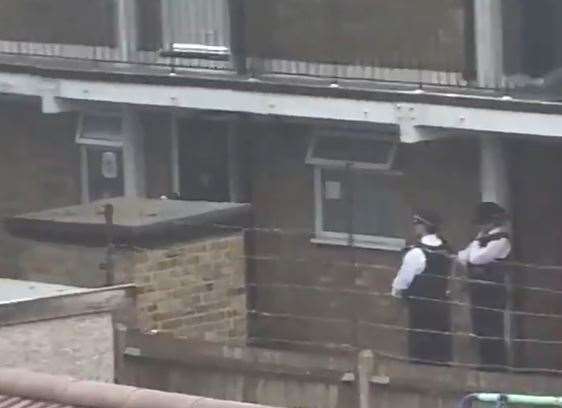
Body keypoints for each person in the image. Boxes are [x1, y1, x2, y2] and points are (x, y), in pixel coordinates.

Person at [392, 210, 452, 364]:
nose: (414, 227)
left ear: (422, 227)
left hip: (420, 306)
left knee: (421, 347)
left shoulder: (416, 252)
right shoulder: (447, 250)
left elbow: (402, 281)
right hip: (441, 305)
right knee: (440, 347)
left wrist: (397, 294)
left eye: (416, 224)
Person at [458, 202, 511, 370]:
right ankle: (485, 363)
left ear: (492, 222)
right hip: (479, 290)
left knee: (492, 328)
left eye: (483, 223)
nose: (481, 227)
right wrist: (477, 241)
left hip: (492, 290)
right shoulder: (484, 240)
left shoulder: (501, 240)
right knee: (479, 328)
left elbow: (475, 258)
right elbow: (461, 256)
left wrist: (476, 240)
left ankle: (495, 366)